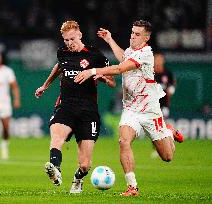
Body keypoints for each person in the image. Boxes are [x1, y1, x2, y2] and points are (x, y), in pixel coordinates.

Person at [74, 20, 184, 196]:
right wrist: (110, 40)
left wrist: (93, 71)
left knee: (167, 156)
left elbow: (119, 69)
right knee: (124, 141)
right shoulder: (131, 51)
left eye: (137, 34)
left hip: (150, 110)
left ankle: (168, 132)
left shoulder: (146, 53)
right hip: (131, 109)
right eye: (132, 33)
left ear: (146, 38)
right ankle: (132, 187)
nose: (133, 36)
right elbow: (123, 58)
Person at [35, 20, 116, 194]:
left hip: (88, 112)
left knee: (85, 164)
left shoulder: (95, 55)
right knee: (56, 138)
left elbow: (111, 82)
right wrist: (45, 85)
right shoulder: (62, 53)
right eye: (66, 40)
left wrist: (96, 75)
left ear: (79, 34)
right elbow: (59, 67)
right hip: (66, 106)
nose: (69, 43)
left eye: (72, 39)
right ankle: (55, 169)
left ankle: (78, 178)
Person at [154, 52, 176, 119]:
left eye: (160, 59)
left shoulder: (168, 73)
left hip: (164, 104)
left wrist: (171, 90)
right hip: (151, 104)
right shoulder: (149, 73)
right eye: (156, 59)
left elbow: (173, 83)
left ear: (163, 60)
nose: (158, 62)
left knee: (163, 122)